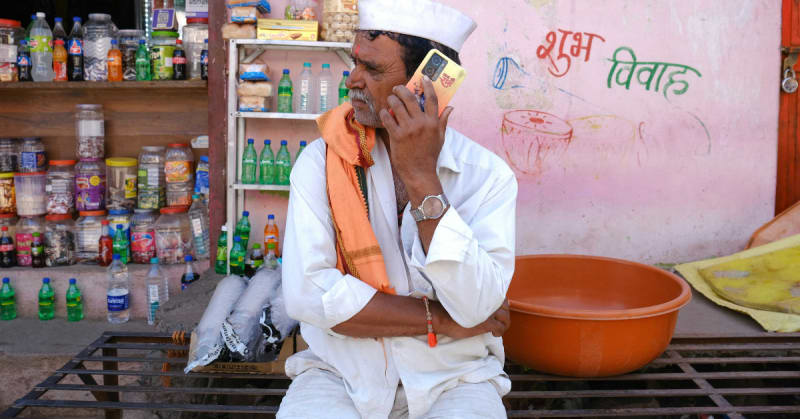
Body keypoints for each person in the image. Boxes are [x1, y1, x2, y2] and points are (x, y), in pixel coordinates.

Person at [279, 0, 518, 417]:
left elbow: (479, 306)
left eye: (372, 69)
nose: (352, 80)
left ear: (429, 84)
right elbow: (310, 297)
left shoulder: (487, 176)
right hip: (338, 374)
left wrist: (422, 178)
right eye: (354, 63)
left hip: (456, 379)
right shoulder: (320, 162)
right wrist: (442, 320)